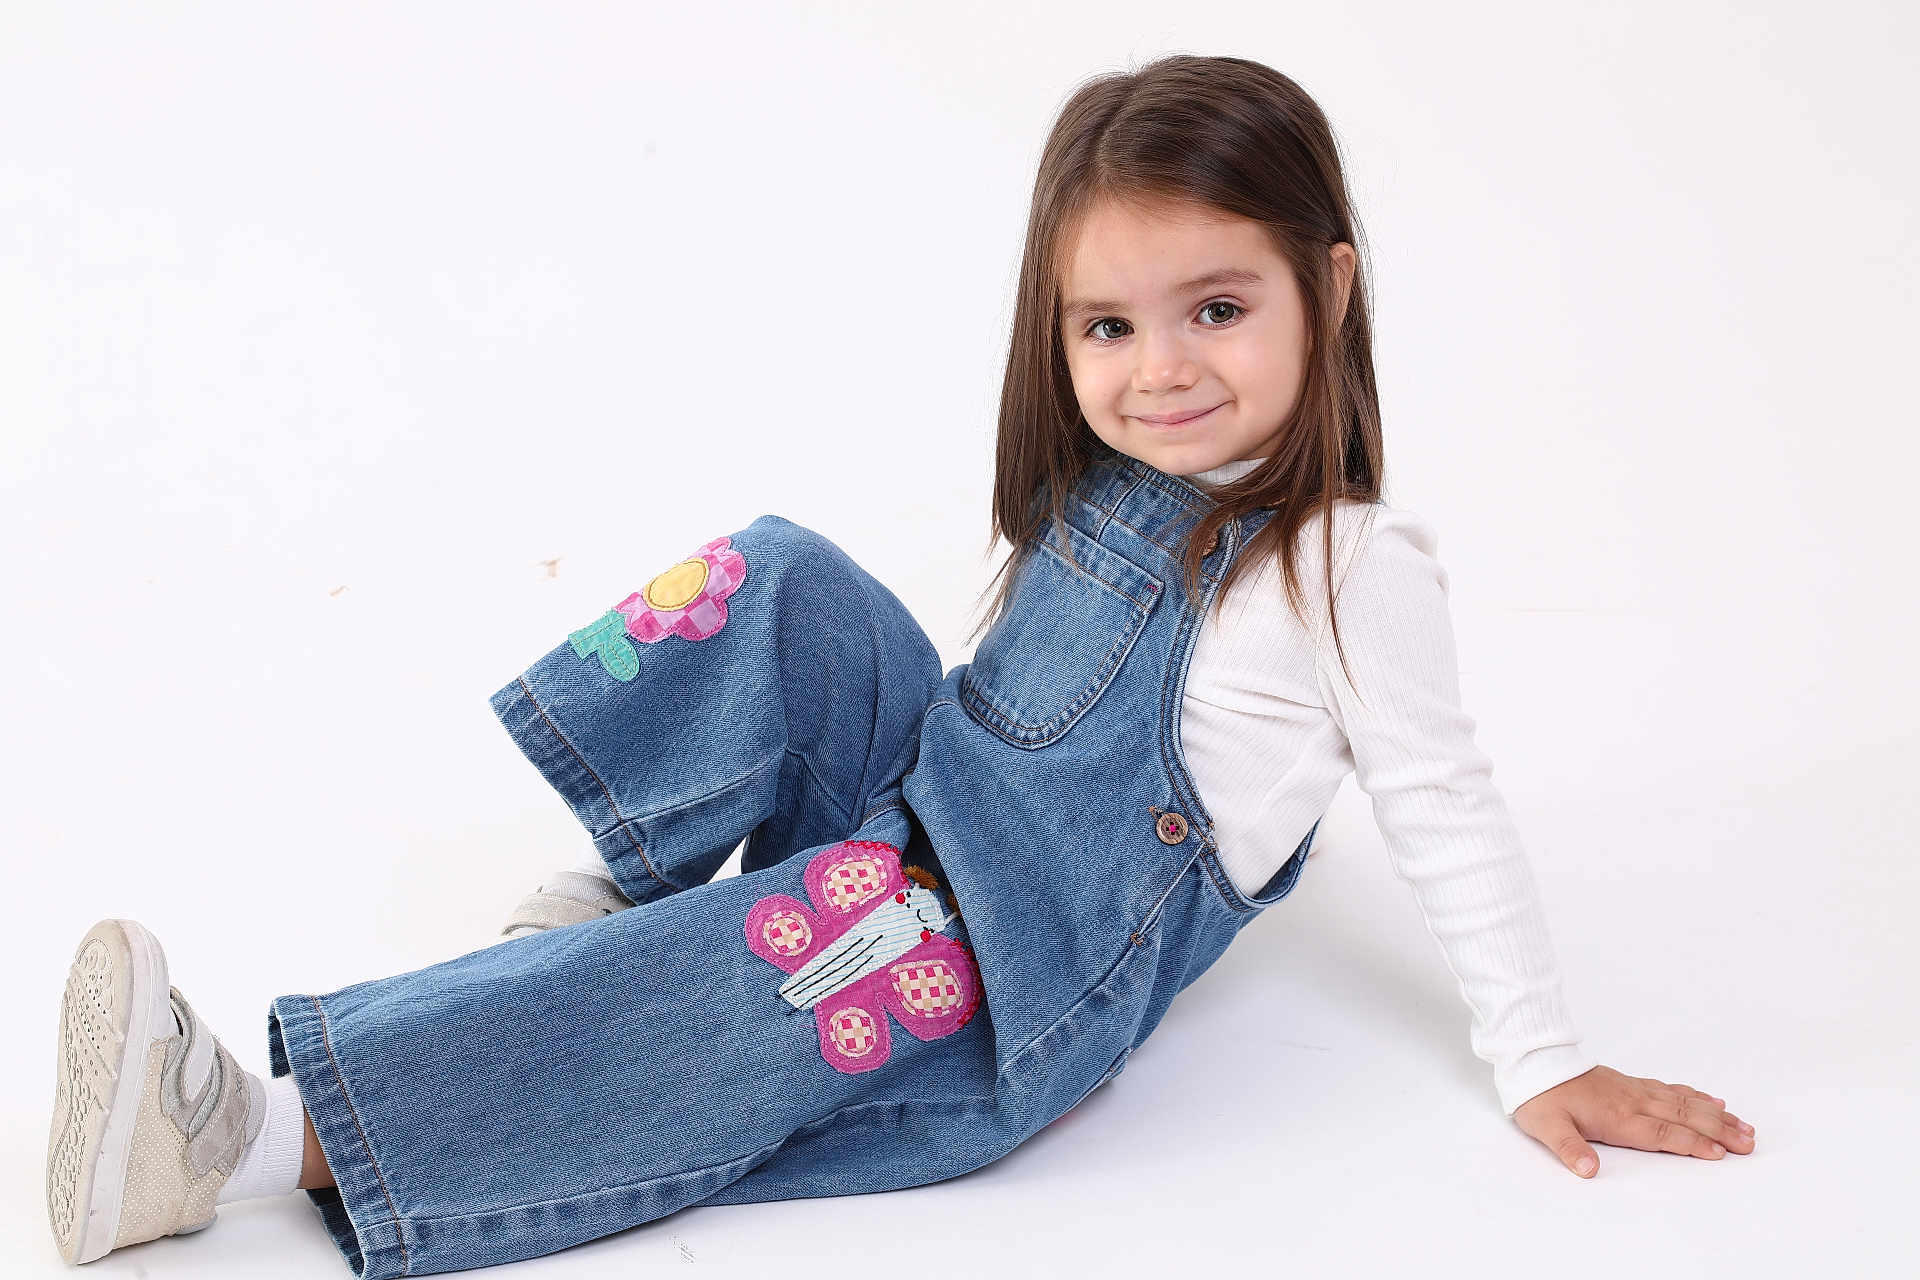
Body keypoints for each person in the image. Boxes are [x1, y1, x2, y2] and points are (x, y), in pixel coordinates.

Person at [43, 52, 1755, 1276]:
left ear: (1329, 289)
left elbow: (1447, 806)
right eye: (1110, 324)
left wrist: (1541, 1055)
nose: (1161, 368)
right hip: (928, 812)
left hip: (1014, 962)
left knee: (800, 951)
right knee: (779, 578)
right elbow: (1010, 704)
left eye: (1218, 309)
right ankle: (642, 897)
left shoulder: (1344, 569)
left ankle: (252, 1140)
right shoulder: (1114, 482)